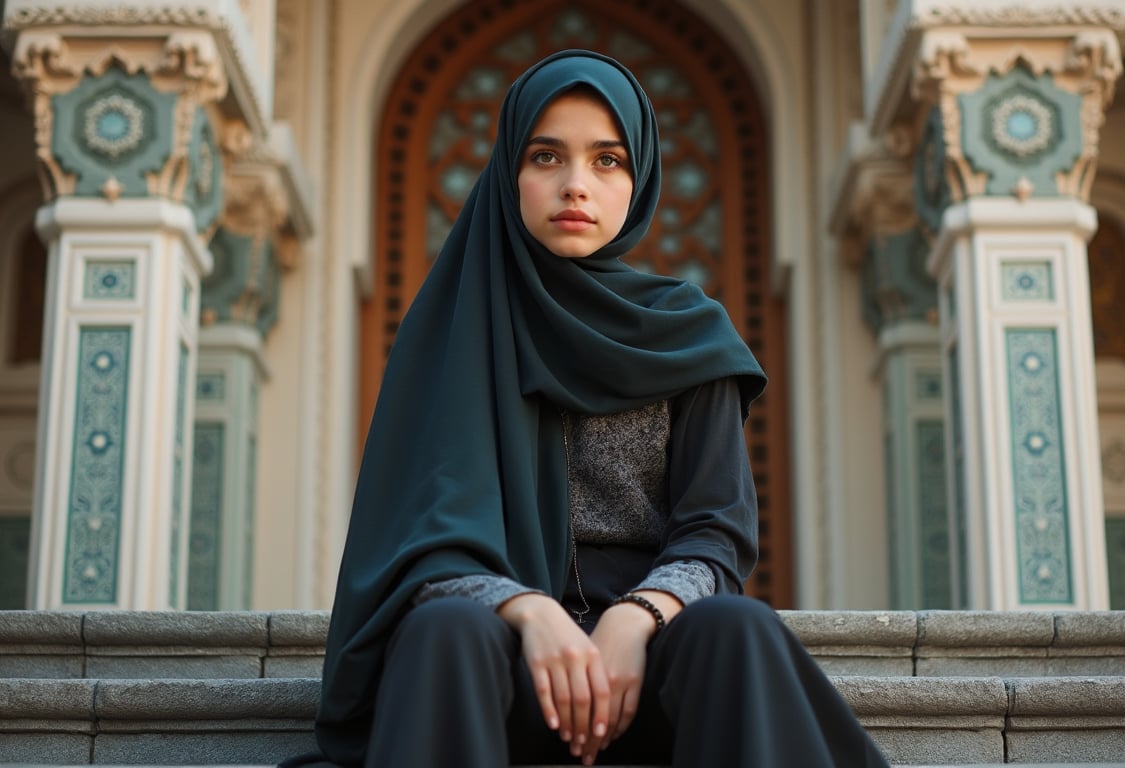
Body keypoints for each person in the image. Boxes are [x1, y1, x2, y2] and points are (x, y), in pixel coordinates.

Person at [284, 49, 890, 768]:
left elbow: (713, 534)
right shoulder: (453, 331)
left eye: (607, 161)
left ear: (639, 179)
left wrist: (639, 617)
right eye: (547, 157)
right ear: (510, 171)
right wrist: (526, 609)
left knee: (734, 626)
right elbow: (419, 536)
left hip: (652, 665)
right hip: (496, 662)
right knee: (443, 629)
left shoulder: (689, 335)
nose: (576, 185)